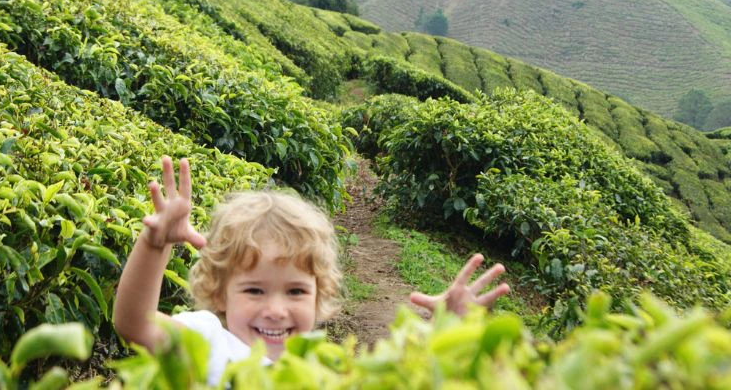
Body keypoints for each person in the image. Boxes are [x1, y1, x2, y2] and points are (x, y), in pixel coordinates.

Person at [114, 156, 510, 386]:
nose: (275, 309)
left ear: (320, 296)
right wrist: (155, 244)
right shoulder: (206, 340)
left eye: (296, 292)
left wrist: (443, 330)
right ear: (220, 293)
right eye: (254, 291)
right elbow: (135, 323)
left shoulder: (323, 367)